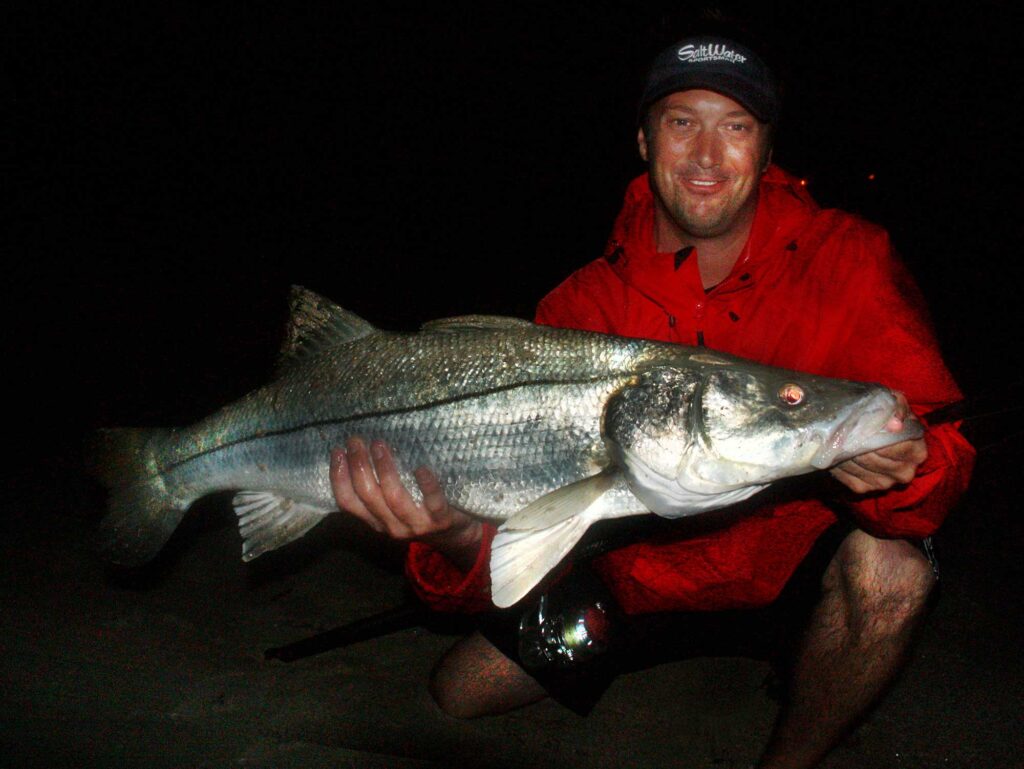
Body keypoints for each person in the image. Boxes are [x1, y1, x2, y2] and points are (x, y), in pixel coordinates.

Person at [329, 33, 975, 769]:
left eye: (736, 126)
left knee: (893, 571)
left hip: (789, 565)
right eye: (680, 122)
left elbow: (937, 449)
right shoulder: (581, 305)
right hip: (641, 583)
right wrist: (447, 536)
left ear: (766, 150)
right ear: (643, 139)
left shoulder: (848, 258)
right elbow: (504, 553)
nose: (707, 154)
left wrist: (910, 467)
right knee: (459, 691)